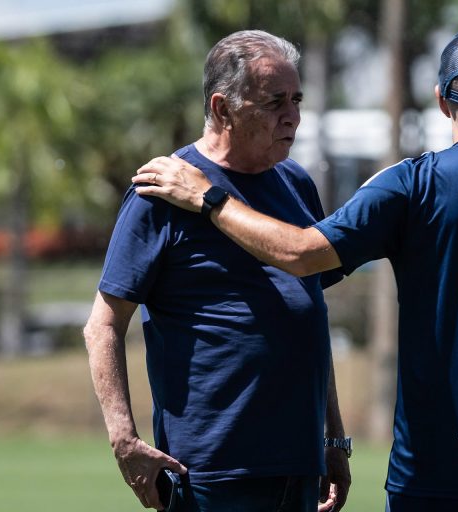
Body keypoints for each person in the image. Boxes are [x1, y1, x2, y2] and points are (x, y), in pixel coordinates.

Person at [134, 22, 458, 511]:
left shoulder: (410, 186)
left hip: (430, 475)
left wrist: (208, 197)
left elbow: (301, 255)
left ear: (441, 100)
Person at [84, 30, 351, 512]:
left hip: (299, 464)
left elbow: (311, 314)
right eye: (274, 102)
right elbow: (103, 324)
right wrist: (123, 438)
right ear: (223, 108)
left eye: (297, 100)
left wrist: (334, 437)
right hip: (210, 471)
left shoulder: (295, 182)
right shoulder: (161, 191)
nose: (292, 116)